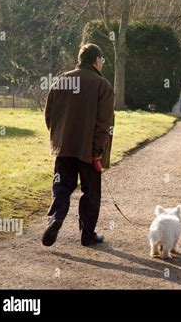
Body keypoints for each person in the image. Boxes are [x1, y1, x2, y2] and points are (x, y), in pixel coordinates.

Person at [42, 43, 115, 247]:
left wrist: (58, 137)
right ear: (96, 61)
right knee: (91, 193)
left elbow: (49, 115)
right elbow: (104, 123)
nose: (102, 64)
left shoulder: (61, 80)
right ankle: (87, 234)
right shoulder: (103, 86)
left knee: (62, 186)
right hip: (89, 151)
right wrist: (98, 150)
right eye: (102, 60)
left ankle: (56, 217)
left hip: (64, 147)